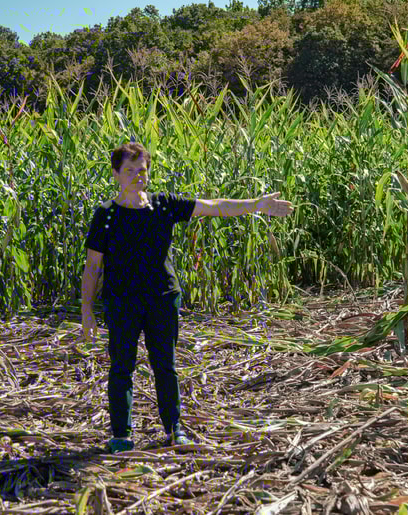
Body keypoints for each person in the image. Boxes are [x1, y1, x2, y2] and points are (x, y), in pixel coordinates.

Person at [80, 142, 293, 454]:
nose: (138, 177)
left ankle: (174, 429)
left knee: (164, 365)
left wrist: (257, 204)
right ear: (116, 174)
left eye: (142, 170)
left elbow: (214, 205)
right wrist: (87, 310)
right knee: (121, 367)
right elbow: (92, 267)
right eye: (130, 171)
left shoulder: (163, 206)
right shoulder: (106, 217)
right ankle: (122, 435)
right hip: (122, 302)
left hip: (162, 299)